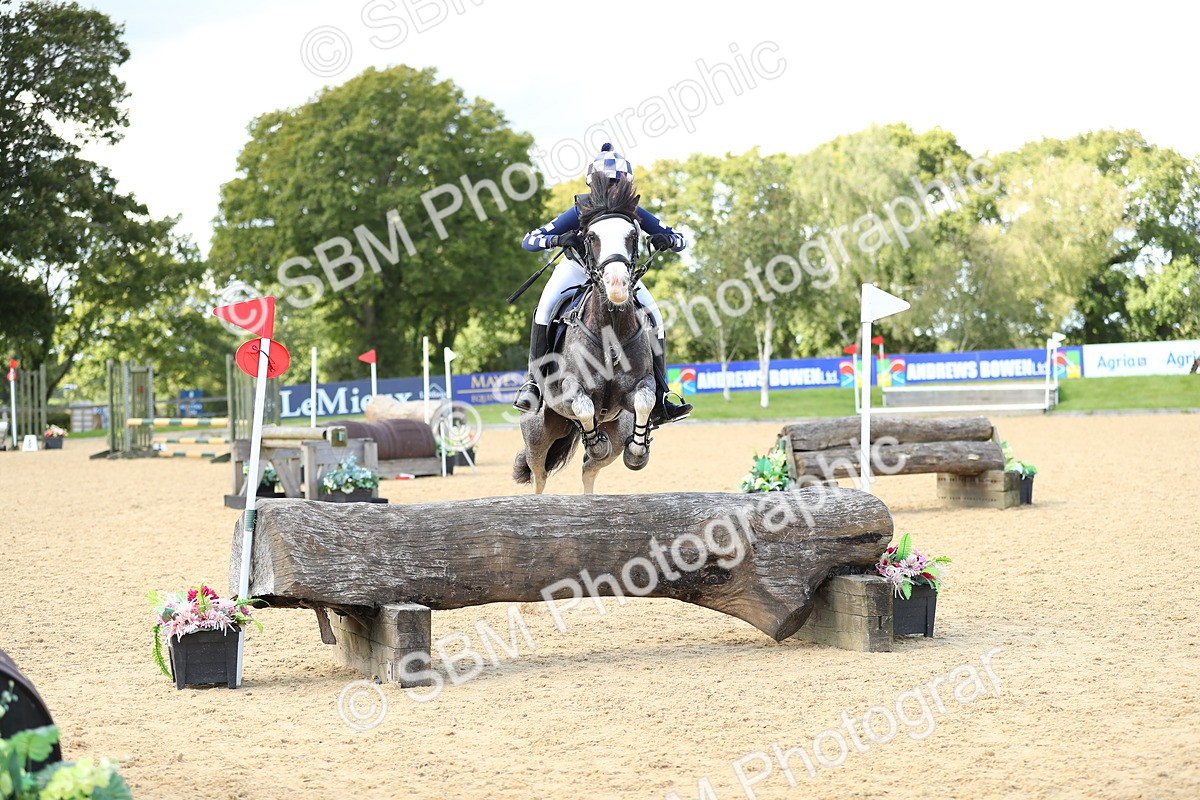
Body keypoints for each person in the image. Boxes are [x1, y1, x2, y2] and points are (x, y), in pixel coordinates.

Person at [513, 143, 692, 426]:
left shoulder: (635, 212)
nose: (611, 190)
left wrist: (667, 239)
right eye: (607, 183)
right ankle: (533, 384)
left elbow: (680, 239)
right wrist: (557, 239)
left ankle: (661, 394)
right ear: (593, 183)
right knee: (544, 309)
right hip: (577, 271)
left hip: (620, 276)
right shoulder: (580, 208)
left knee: (656, 317)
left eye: (616, 184)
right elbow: (530, 240)